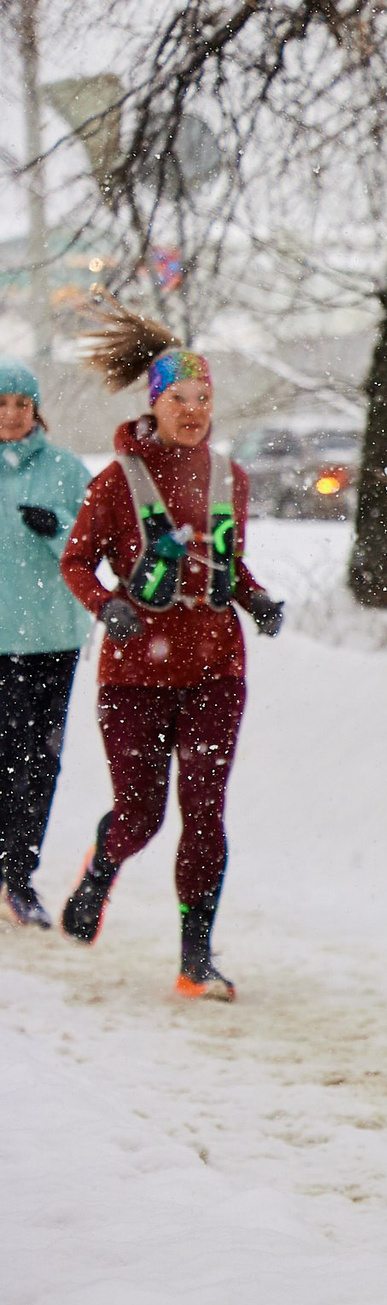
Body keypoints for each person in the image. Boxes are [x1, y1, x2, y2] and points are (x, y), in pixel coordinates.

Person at [58, 303, 287, 998]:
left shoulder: (229, 478)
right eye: (178, 398)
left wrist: (256, 600)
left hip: (217, 665)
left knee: (205, 809)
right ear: (154, 404)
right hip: (135, 673)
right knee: (141, 814)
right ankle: (102, 867)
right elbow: (76, 561)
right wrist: (110, 606)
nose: (193, 410)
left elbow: (225, 564)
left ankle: (195, 955)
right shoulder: (119, 480)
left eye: (203, 397)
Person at [0, 357, 96, 928]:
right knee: (6, 755)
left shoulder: (64, 469)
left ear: (37, 411)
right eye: (2, 404)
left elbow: (94, 541)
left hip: (51, 637)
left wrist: (57, 524)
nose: (11, 415)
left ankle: (19, 875)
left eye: (20, 404)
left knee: (39, 760)